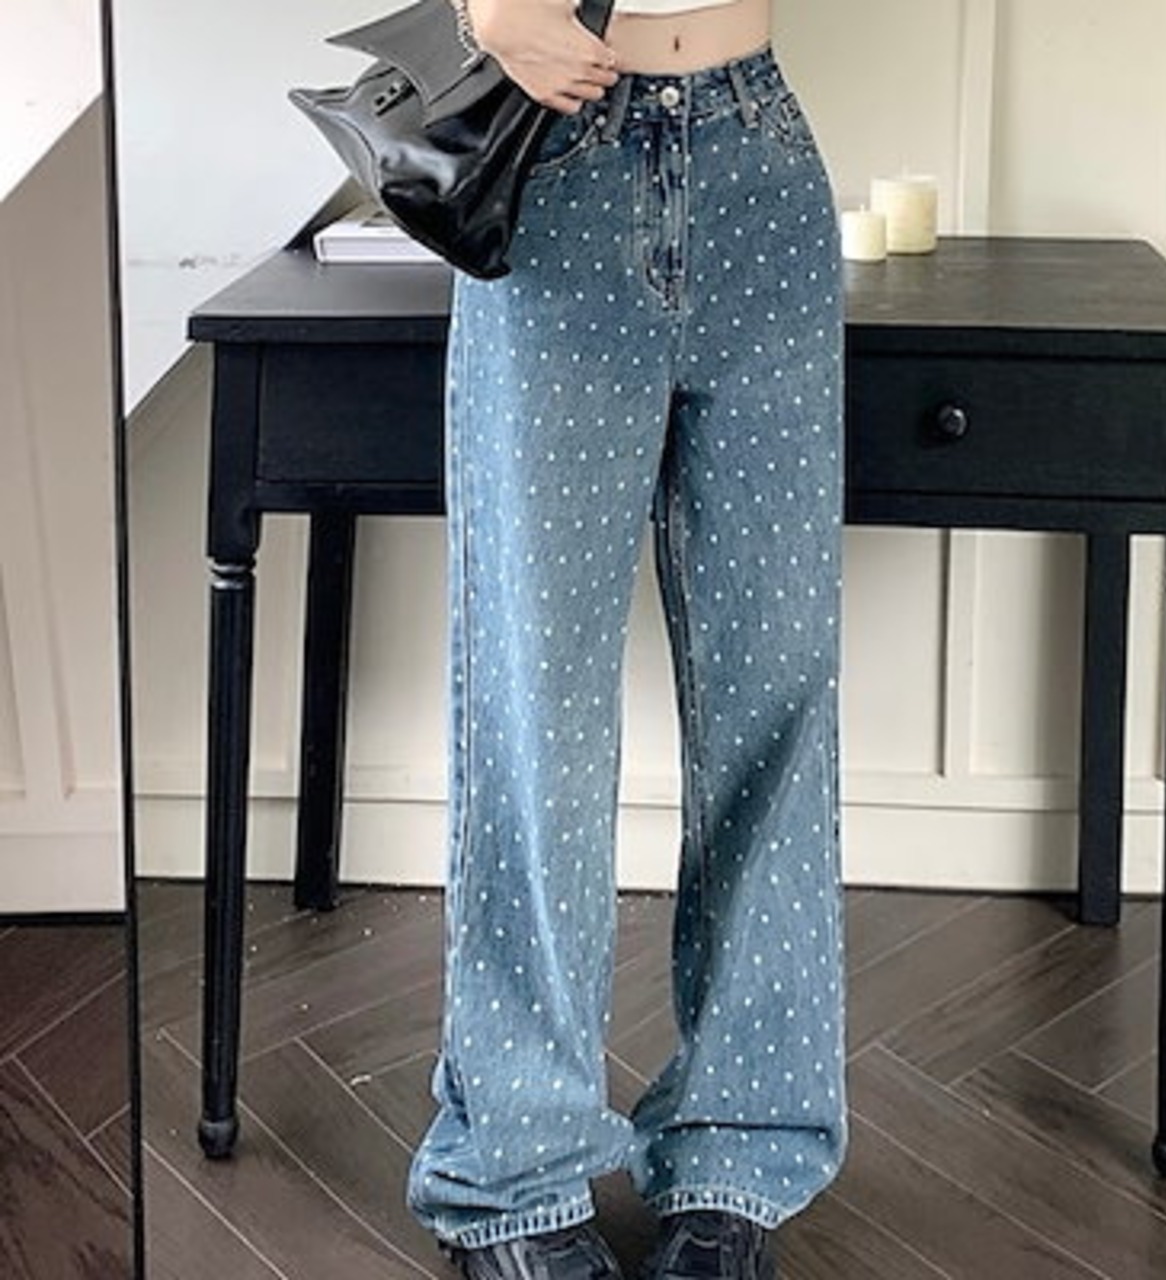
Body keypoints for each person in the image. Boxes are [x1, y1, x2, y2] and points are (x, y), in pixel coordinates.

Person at [405, 0, 848, 1275]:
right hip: (553, 171)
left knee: (775, 693)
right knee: (534, 705)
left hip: (759, 160)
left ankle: (737, 1153)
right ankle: (515, 1169)